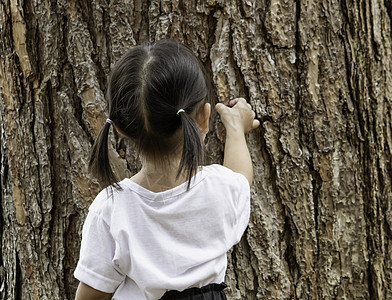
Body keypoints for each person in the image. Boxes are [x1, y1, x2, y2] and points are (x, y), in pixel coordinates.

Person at [74, 39, 260, 300]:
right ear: (204, 118)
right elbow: (241, 177)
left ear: (118, 128)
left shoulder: (111, 209)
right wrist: (235, 129)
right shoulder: (219, 189)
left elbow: (91, 296)